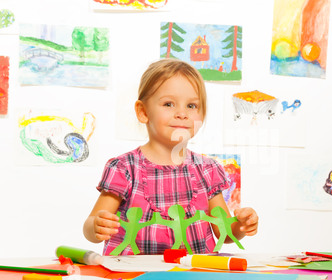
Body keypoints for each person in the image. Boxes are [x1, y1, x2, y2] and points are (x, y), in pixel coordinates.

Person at [83, 59, 258, 255]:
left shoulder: (208, 169)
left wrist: (240, 226)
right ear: (143, 112)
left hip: (195, 277)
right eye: (169, 104)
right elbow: (90, 226)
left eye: (192, 106)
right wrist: (97, 226)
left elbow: (224, 234)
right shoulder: (124, 168)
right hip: (135, 277)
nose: (182, 113)